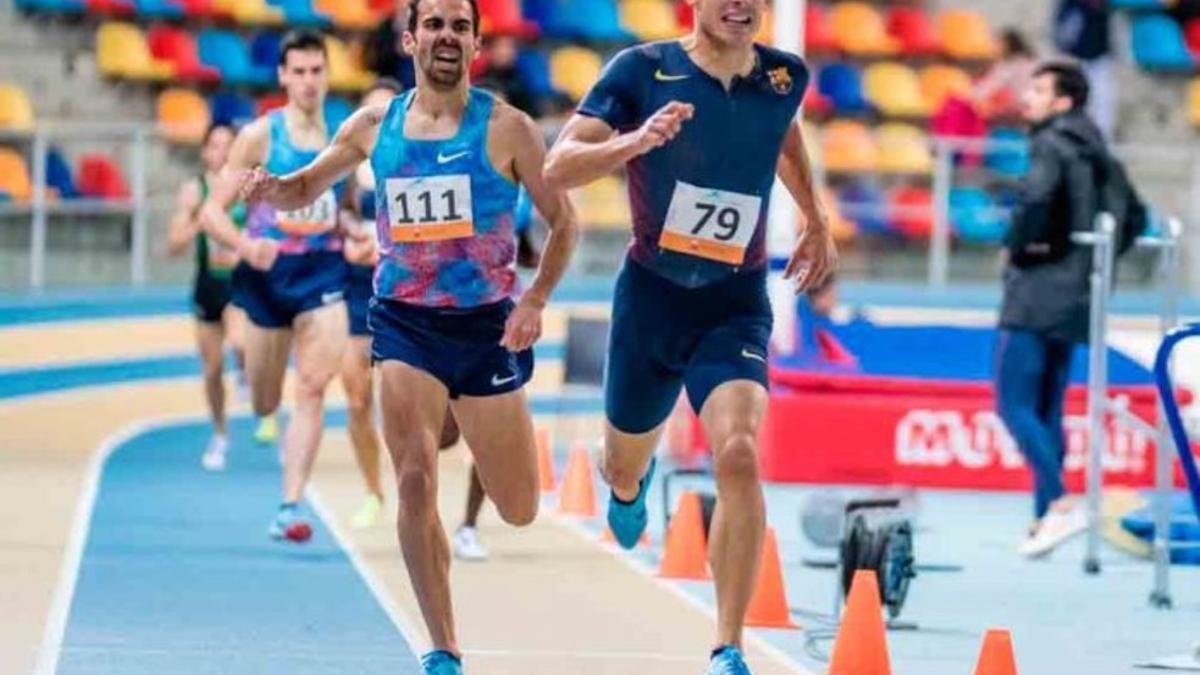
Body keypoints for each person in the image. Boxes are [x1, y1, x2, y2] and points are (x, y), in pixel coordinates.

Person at [238, 1, 579, 671]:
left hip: (485, 328)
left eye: (459, 25)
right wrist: (272, 190)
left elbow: (565, 223)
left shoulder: (508, 129)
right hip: (405, 321)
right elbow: (308, 182)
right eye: (434, 24)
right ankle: (443, 647)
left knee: (517, 506)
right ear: (409, 38)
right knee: (416, 479)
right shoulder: (373, 125)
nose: (446, 35)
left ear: (476, 42)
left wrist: (535, 299)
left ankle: (462, 421)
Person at [543, 0, 837, 671]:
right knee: (622, 462)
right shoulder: (641, 71)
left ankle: (727, 643)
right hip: (653, 299)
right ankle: (627, 483)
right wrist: (635, 142)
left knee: (736, 450)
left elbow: (781, 136)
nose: (739, 6)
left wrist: (815, 217)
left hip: (735, 301)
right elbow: (559, 165)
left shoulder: (785, 77)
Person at [202, 30, 372, 543]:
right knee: (265, 400)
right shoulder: (259, 136)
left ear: (328, 73)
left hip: (322, 273)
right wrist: (246, 245)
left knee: (314, 389)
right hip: (266, 278)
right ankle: (260, 403)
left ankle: (289, 503)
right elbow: (212, 211)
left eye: (316, 70)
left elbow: (341, 206)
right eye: (297, 72)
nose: (308, 81)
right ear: (282, 77)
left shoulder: (345, 135)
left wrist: (351, 231)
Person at [996, 61, 1106, 557]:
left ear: (1063, 102)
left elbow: (1036, 198)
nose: (1028, 98)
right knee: (1048, 407)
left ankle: (1059, 503)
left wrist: (1016, 244)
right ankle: (1045, 516)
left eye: (1038, 90)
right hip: (1079, 289)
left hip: (1038, 289)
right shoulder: (1096, 149)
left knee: (1013, 403)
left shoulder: (1050, 144)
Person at [166, 123, 248, 472]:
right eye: (215, 146)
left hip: (240, 284)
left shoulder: (246, 189)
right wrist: (203, 218)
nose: (222, 152)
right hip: (206, 286)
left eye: (229, 145)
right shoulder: (193, 191)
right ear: (205, 152)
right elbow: (173, 245)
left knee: (241, 340)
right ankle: (220, 433)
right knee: (212, 370)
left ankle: (245, 370)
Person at [973, 28, 1037, 120]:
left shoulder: (1010, 64)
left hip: (1023, 111)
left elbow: (988, 87)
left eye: (997, 43)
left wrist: (968, 97)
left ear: (1007, 45)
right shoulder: (1028, 60)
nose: (992, 47)